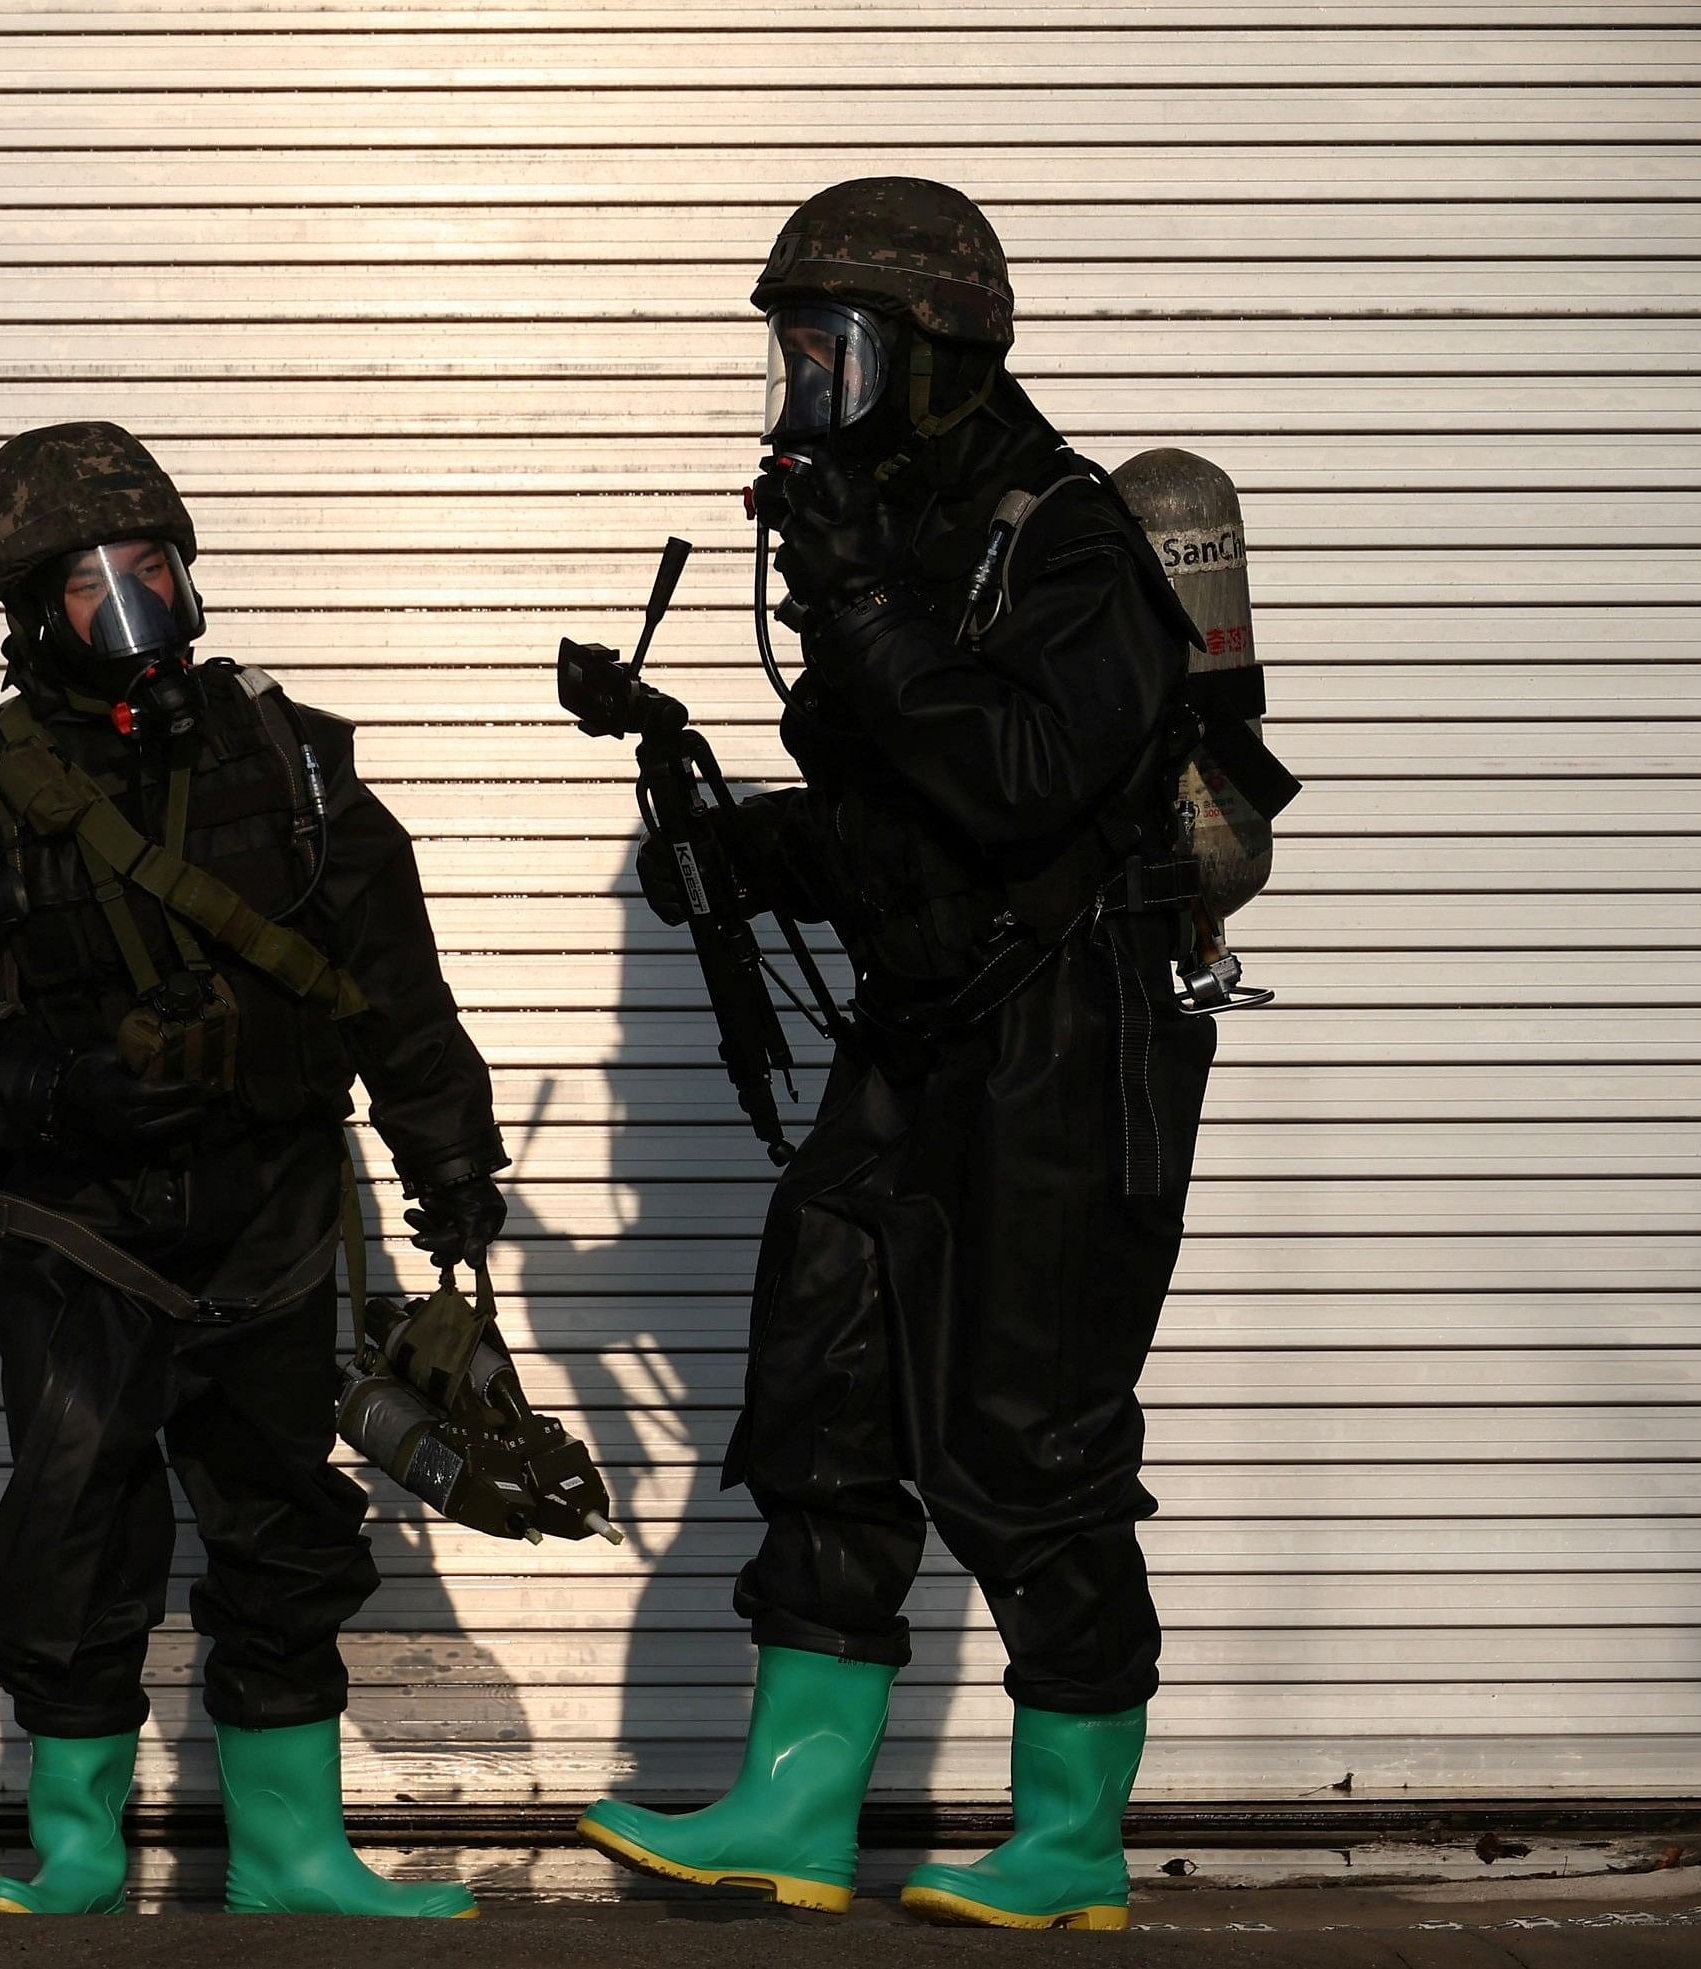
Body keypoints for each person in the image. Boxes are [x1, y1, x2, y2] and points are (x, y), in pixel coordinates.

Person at [572, 179, 1221, 1931]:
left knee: (1027, 1435)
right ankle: (793, 1804)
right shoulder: (879, 531)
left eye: (827, 342)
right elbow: (905, 817)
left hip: (1068, 1042)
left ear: (932, 350)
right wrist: (738, 842)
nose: (799, 376)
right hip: (921, 1023)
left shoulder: (1071, 542)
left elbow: (1020, 778)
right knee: (824, 1385)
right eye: (789, 343)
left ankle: (1072, 1836)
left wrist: (858, 601)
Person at [0, 421, 508, 1918]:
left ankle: (291, 1848)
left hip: (271, 1218)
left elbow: (396, 981)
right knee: (75, 1529)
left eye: (148, 564)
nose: (129, 599)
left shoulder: (293, 762)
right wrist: (44, 1082)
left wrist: (450, 1154)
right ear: (29, 609)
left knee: (282, 1520)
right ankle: (77, 1843)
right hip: (81, 1235)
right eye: (90, 579)